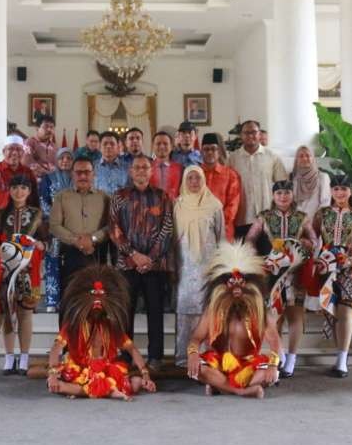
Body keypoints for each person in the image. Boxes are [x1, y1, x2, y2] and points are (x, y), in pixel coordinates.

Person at [46, 265, 156, 400]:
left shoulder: (111, 326)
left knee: (136, 383)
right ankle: (109, 390)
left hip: (105, 369)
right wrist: (52, 373)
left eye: (101, 297)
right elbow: (56, 348)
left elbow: (132, 349)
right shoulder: (73, 325)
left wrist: (145, 374)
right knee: (56, 385)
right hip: (81, 369)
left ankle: (90, 390)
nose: (97, 302)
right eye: (93, 296)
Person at [185, 243, 281, 398]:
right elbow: (196, 338)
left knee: (270, 374)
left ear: (250, 284)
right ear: (222, 285)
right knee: (199, 368)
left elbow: (275, 341)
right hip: (220, 363)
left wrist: (272, 364)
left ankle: (220, 386)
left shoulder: (261, 311)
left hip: (249, 364)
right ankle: (241, 391)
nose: (237, 287)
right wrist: (193, 353)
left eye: (241, 282)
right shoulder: (213, 310)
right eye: (231, 283)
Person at [245, 180, 316, 378]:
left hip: (296, 273)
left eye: (286, 193)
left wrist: (307, 242)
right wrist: (255, 257)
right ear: (273, 196)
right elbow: (250, 238)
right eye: (279, 193)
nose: (283, 197)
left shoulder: (302, 217)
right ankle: (279, 356)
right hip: (272, 273)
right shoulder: (264, 217)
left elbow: (315, 240)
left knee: (296, 316)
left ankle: (292, 358)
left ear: (292, 195)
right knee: (273, 317)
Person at [109, 154, 174, 369]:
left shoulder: (162, 197)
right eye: (136, 167)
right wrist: (133, 255)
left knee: (155, 311)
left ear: (151, 170)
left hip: (154, 266)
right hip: (127, 264)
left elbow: (167, 229)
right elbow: (114, 229)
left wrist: (150, 258)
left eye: (145, 167)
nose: (140, 171)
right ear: (130, 171)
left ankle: (155, 357)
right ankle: (126, 356)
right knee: (124, 311)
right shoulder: (119, 196)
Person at [312, 174, 352, 378]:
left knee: (345, 311)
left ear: (350, 192)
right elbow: (313, 238)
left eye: (344, 189)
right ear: (331, 191)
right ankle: (339, 356)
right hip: (326, 267)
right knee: (331, 311)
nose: (340, 193)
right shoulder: (321, 214)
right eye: (336, 189)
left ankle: (341, 362)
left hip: (348, 267)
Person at [0, 174, 47, 376]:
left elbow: (46, 240)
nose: (19, 192)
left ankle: (25, 357)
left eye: (24, 188)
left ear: (29, 192)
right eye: (15, 187)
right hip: (5, 269)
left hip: (28, 269)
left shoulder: (38, 214)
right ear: (9, 190)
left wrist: (40, 245)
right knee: (7, 313)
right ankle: (9, 357)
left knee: (25, 313)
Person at [173, 165, 226, 368]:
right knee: (185, 310)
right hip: (184, 265)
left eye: (197, 178)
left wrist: (221, 268)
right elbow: (172, 238)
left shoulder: (215, 206)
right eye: (190, 178)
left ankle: (207, 357)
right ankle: (183, 358)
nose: (194, 182)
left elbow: (221, 237)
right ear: (185, 181)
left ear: (203, 180)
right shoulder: (177, 205)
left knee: (208, 310)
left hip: (208, 266)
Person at [49, 156, 110, 303]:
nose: (83, 176)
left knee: (95, 302)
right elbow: (54, 225)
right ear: (72, 174)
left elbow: (111, 225)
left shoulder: (104, 197)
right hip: (69, 255)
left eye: (87, 172)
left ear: (94, 174)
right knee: (69, 300)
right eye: (78, 172)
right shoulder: (61, 197)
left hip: (96, 254)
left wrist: (93, 239)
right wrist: (76, 241)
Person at [227, 120, 287, 243]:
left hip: (269, 219)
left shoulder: (272, 157)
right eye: (246, 132)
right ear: (241, 136)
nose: (250, 136)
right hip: (242, 219)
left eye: (254, 132)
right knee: (245, 260)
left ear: (259, 134)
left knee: (269, 259)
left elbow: (283, 187)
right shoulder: (232, 159)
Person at [39, 147, 75, 311]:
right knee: (52, 263)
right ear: (57, 160)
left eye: (68, 158)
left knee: (72, 263)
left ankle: (70, 299)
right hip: (54, 229)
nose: (65, 161)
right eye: (62, 158)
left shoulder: (78, 178)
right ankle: (52, 300)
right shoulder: (48, 179)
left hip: (75, 229)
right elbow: (43, 201)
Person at [0, 135, 38, 219]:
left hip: (23, 222)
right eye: (10, 149)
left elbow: (34, 199)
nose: (14, 153)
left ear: (23, 153)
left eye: (18, 149)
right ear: (4, 151)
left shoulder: (28, 173)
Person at [199, 132, 241, 241]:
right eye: (206, 149)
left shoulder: (230, 175)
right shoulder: (195, 174)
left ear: (219, 151)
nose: (210, 152)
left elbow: (233, 204)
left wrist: (218, 223)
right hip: (199, 229)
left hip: (224, 229)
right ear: (201, 152)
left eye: (213, 149)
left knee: (223, 258)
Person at [291, 145, 331, 218]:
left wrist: (316, 222)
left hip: (314, 222)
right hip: (297, 223)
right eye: (301, 156)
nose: (305, 158)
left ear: (313, 158)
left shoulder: (322, 177)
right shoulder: (295, 179)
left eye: (308, 155)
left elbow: (325, 203)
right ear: (297, 160)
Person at [149, 130, 183, 199]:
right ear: (152, 146)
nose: (162, 147)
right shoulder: (146, 168)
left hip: (174, 207)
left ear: (171, 146)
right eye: (158, 144)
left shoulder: (180, 169)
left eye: (165, 144)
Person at [94, 131, 129, 195]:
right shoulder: (92, 167)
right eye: (105, 144)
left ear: (118, 147)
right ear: (99, 147)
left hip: (121, 204)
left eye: (112, 144)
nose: (108, 146)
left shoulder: (127, 167)